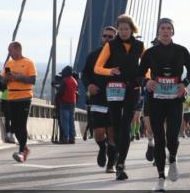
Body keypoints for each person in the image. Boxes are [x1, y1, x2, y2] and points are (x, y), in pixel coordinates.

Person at [139, 18, 190, 191]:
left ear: (173, 32)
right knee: (159, 138)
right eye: (162, 28)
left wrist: (184, 83)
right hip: (155, 100)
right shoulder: (150, 53)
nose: (165, 31)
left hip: (174, 100)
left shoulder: (181, 50)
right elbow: (138, 73)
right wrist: (146, 81)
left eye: (168, 28)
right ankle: (160, 177)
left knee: (172, 136)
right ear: (158, 32)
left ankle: (172, 158)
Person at [94, 14, 145, 181]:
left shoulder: (139, 45)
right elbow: (97, 68)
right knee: (116, 126)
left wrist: (144, 77)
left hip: (132, 88)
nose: (123, 32)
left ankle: (121, 164)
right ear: (118, 30)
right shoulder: (110, 46)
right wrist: (110, 71)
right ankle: (116, 156)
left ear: (132, 29)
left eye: (126, 29)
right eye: (121, 29)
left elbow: (148, 66)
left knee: (125, 126)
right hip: (115, 88)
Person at [83, 26, 117, 171]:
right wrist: (89, 85)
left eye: (111, 37)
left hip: (115, 99)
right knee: (98, 133)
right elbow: (85, 74)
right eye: (105, 36)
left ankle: (111, 164)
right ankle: (102, 148)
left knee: (112, 134)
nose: (107, 39)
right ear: (101, 37)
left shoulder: (119, 56)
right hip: (98, 99)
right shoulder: (93, 55)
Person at [2, 41, 36, 163]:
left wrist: (17, 77)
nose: (9, 53)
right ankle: (25, 147)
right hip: (11, 97)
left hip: (25, 97)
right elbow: (3, 81)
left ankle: (21, 151)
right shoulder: (9, 63)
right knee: (15, 126)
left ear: (18, 50)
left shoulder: (28, 63)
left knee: (21, 124)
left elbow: (32, 80)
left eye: (10, 50)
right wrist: (6, 78)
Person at [55, 66, 78, 144]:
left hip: (65, 102)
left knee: (65, 121)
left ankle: (65, 138)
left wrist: (56, 98)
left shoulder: (65, 81)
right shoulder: (74, 81)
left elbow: (61, 92)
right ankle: (72, 138)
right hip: (73, 102)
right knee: (71, 121)